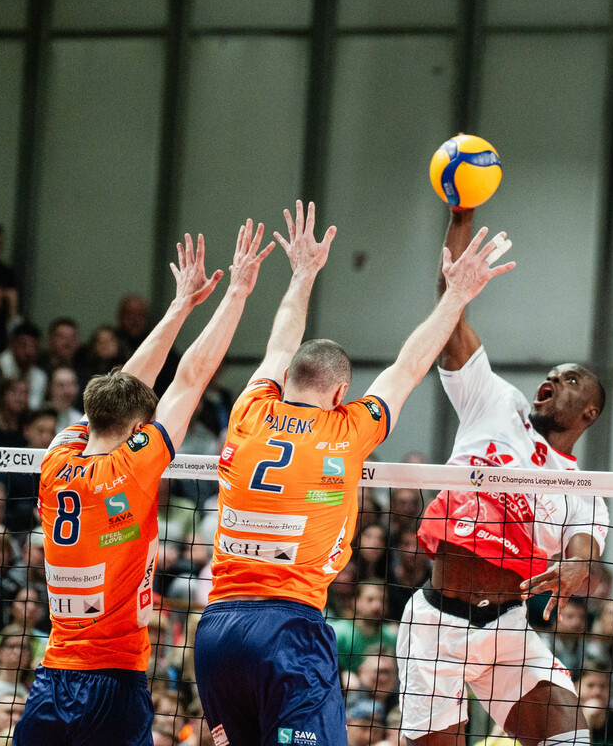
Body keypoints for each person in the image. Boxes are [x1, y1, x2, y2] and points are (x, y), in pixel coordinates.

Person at [193, 200, 513, 746]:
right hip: (287, 629)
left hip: (216, 632)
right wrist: (457, 294)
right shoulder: (347, 430)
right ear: (341, 393)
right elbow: (408, 367)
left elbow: (279, 344)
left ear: (285, 380)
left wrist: (302, 274)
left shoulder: (248, 409)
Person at [13, 226, 272, 746]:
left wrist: (179, 306)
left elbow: (124, 390)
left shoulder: (56, 457)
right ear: (136, 429)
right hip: (114, 680)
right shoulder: (133, 467)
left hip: (53, 677)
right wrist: (237, 292)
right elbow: (191, 377)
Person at [397, 205, 609, 746]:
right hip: (438, 624)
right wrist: (461, 215)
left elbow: (584, 549)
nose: (554, 378)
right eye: (553, 374)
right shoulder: (496, 402)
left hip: (509, 631)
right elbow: (450, 319)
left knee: (573, 739)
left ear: (589, 413)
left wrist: (574, 569)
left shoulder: (583, 492)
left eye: (571, 380)